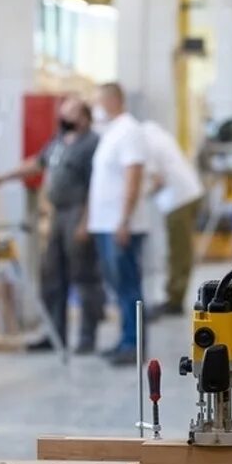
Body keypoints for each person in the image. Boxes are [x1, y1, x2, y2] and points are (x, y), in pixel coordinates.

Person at [0, 96, 105, 353]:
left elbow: (94, 187)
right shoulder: (57, 141)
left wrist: (85, 222)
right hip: (58, 213)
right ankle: (54, 334)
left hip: (78, 212)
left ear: (84, 117)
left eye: (70, 113)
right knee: (52, 275)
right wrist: (5, 177)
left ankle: (87, 336)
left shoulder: (91, 145)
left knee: (83, 274)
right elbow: (37, 163)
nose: (64, 119)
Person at [87, 83, 149, 365]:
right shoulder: (111, 131)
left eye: (100, 101)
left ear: (113, 100)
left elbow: (132, 176)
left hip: (121, 224)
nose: (97, 107)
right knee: (118, 286)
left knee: (128, 286)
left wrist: (124, 219)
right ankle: (124, 338)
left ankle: (133, 343)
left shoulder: (129, 131)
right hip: (105, 223)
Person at [141, 120, 204, 318]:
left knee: (179, 252)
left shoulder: (146, 142)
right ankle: (173, 295)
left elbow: (157, 180)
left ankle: (175, 299)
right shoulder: (157, 134)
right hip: (185, 195)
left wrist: (140, 195)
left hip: (179, 199)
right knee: (178, 250)